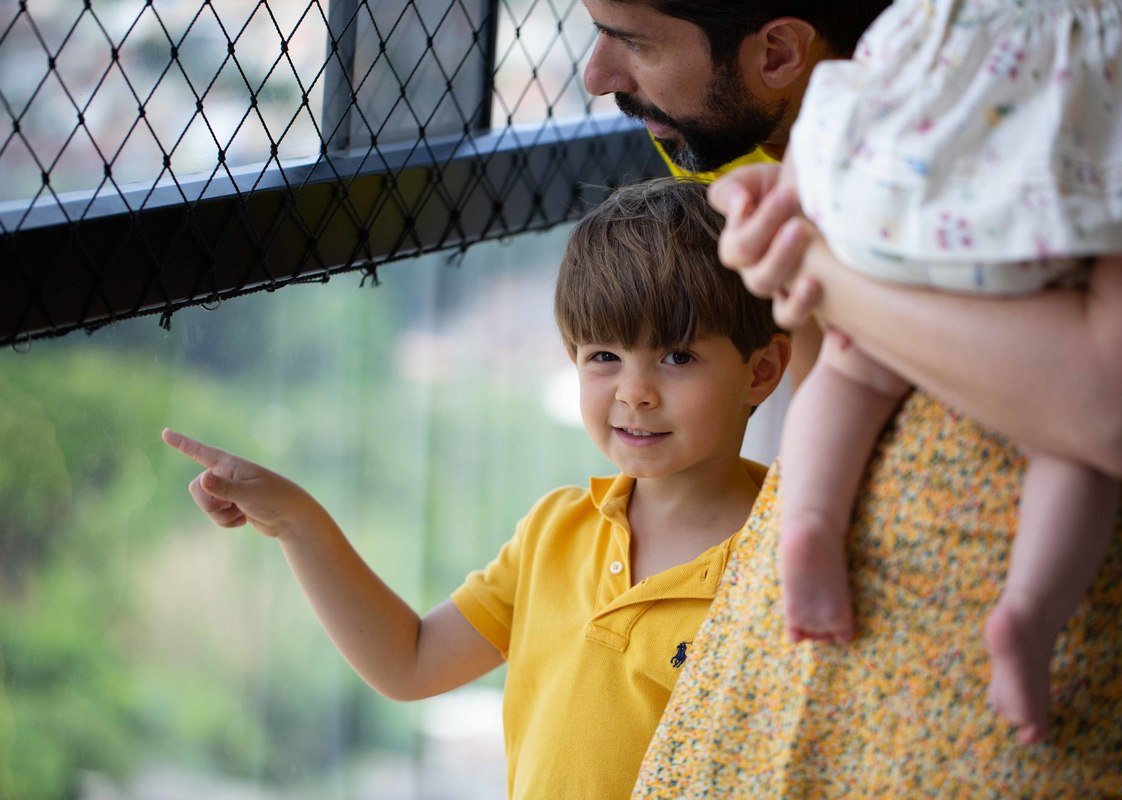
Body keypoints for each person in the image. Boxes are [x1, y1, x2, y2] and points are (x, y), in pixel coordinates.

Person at [579, 0, 1122, 795]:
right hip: (820, 666)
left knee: (866, 383)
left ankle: (836, 534)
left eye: (630, 41)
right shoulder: (1115, 43)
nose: (597, 74)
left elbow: (1116, 411)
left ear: (780, 50)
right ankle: (1024, 610)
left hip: (964, 697)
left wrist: (812, 265)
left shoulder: (924, 34)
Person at [161, 177, 791, 800]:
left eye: (677, 357)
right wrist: (297, 521)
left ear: (761, 371)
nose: (634, 392)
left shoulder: (785, 566)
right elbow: (410, 660)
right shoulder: (555, 531)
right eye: (604, 356)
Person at [768, 0, 1122, 745]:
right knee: (1064, 446)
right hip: (1023, 226)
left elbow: (853, 84)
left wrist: (803, 201)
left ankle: (808, 520)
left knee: (847, 368)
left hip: (892, 207)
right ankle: (1028, 614)